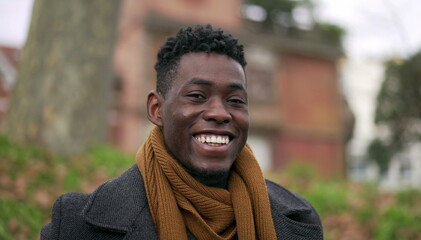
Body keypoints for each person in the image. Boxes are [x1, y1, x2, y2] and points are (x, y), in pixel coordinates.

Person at [41, 24, 323, 240]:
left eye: (235, 100)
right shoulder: (79, 225)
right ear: (156, 109)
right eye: (198, 96)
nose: (220, 113)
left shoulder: (299, 222)